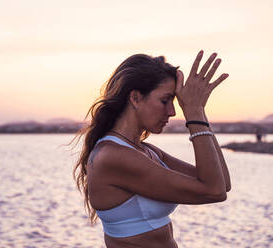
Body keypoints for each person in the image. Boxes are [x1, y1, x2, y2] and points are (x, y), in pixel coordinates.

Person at [73, 50, 231, 248]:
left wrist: (199, 112)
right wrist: (194, 112)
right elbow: (214, 191)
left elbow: (222, 183)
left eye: (175, 102)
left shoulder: (147, 151)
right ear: (136, 98)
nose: (172, 112)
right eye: (165, 101)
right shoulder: (113, 156)